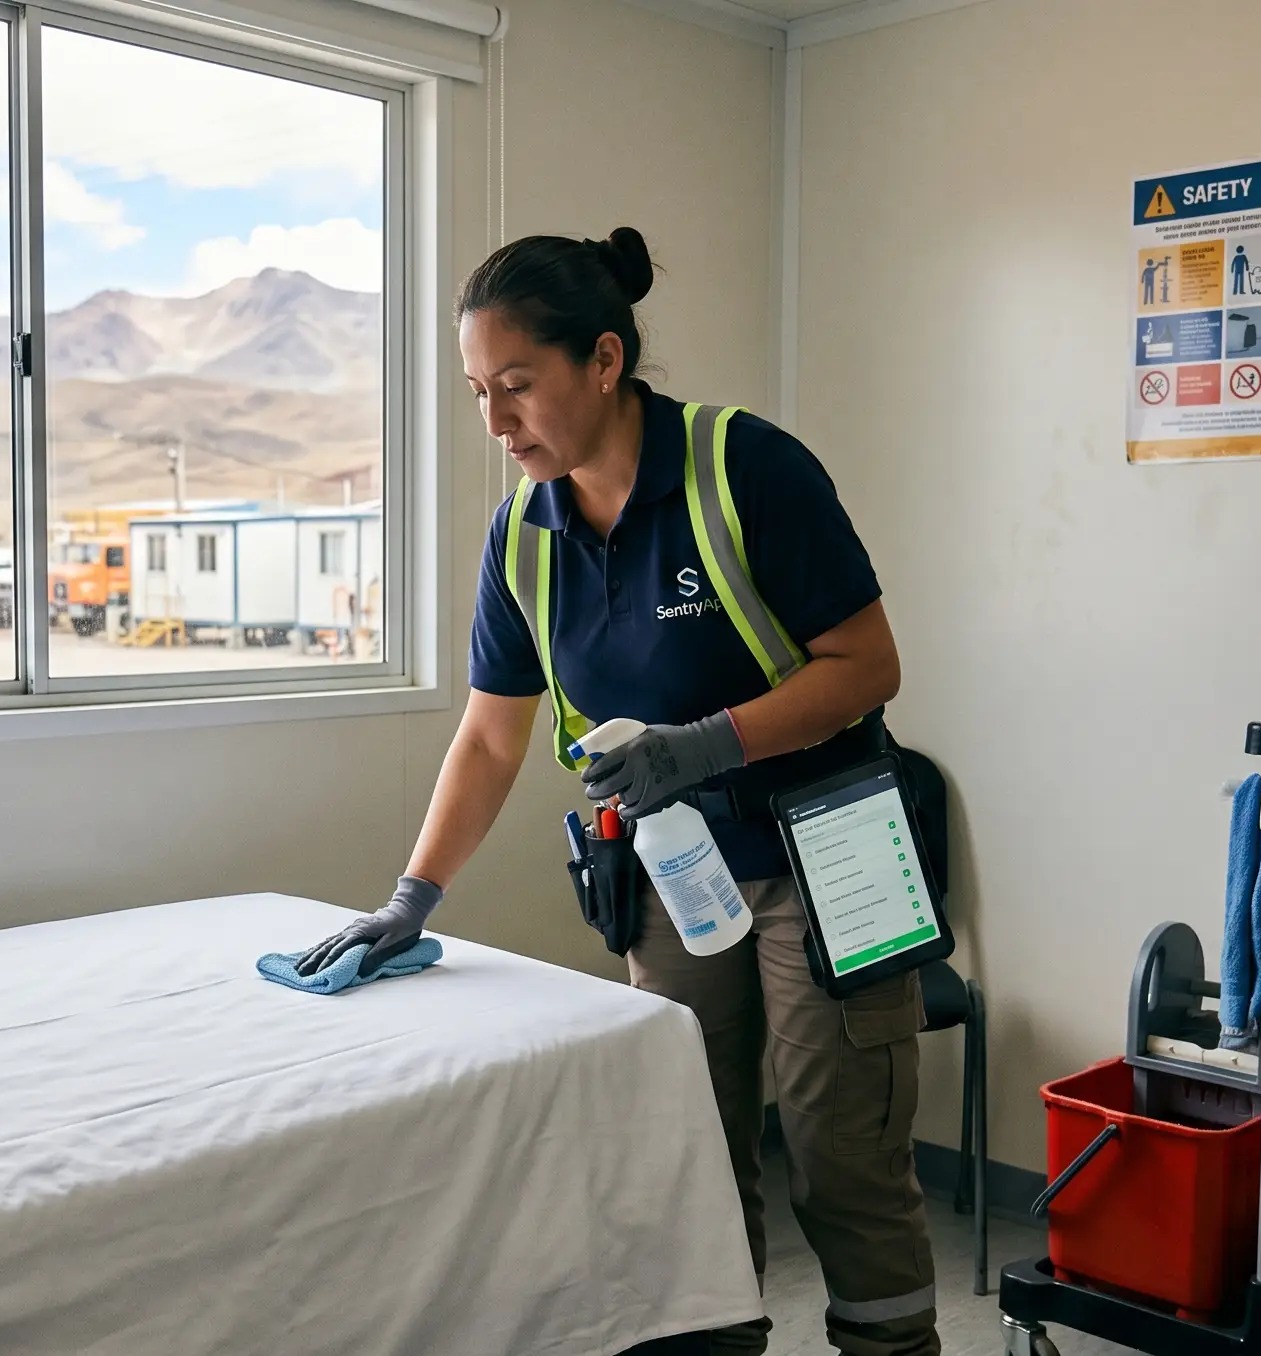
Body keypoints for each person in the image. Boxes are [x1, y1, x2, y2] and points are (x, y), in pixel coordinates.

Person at [295, 228, 936, 1356]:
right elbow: (490, 742)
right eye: (475, 393)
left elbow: (865, 667)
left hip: (825, 854)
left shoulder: (742, 468)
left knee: (843, 1160)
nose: (494, 423)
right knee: (681, 1150)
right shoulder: (522, 538)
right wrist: (412, 896)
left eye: (515, 386)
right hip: (679, 874)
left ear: (601, 361)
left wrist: (705, 745)